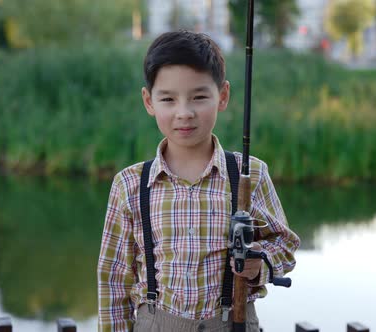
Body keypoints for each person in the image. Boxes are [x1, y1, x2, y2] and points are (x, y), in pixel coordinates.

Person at [97, 30, 300, 332]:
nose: (184, 113)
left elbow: (285, 244)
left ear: (223, 96)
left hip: (233, 323)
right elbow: (114, 278)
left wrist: (261, 264)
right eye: (168, 99)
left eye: (199, 97)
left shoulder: (250, 173)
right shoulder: (129, 184)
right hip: (155, 323)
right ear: (149, 101)